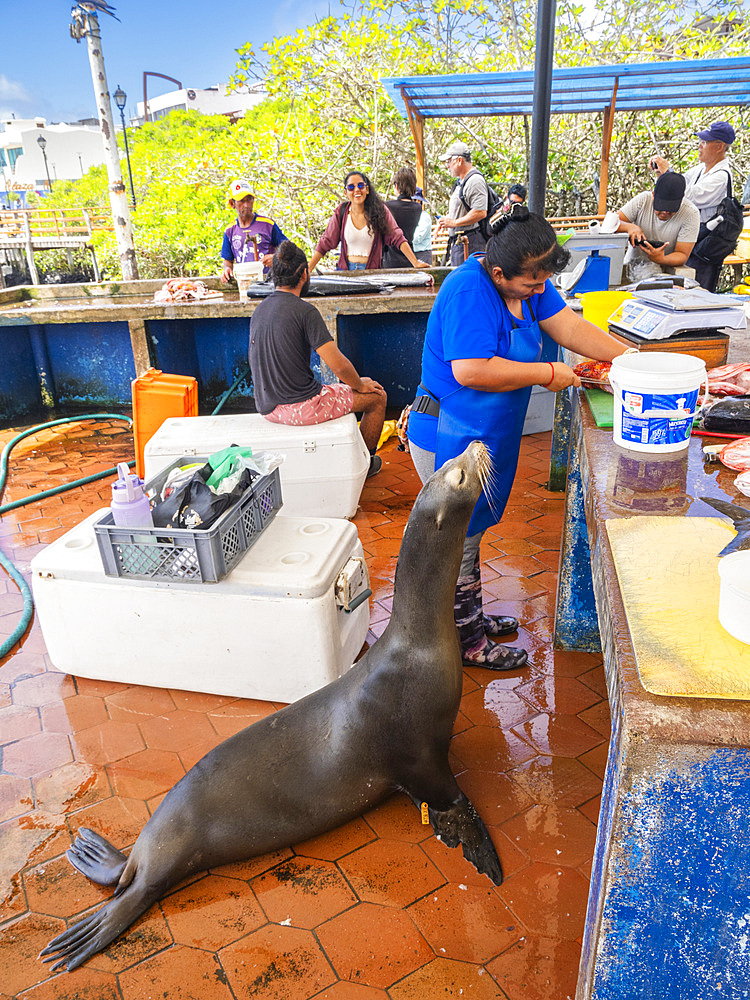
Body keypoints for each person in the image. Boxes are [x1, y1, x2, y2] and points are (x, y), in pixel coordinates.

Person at [407, 206, 626, 669]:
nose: (540, 290)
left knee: (471, 534)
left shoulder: (530, 282)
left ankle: (466, 618)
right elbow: (470, 370)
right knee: (459, 540)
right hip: (447, 434)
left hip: (485, 434)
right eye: (532, 283)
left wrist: (632, 360)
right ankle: (467, 643)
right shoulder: (469, 289)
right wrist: (548, 372)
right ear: (500, 271)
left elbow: (568, 326)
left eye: (544, 281)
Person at [249, 241, 387, 477]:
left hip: (266, 407)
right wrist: (361, 384)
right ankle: (363, 465)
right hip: (300, 407)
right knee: (377, 397)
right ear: (304, 274)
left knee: (338, 389)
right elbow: (339, 365)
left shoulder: (259, 309)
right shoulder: (305, 311)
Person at [651, 121, 736, 291]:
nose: (700, 146)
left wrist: (669, 172)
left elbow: (691, 196)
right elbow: (679, 185)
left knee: (700, 290)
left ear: (719, 146)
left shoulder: (722, 176)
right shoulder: (700, 169)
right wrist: (662, 174)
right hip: (694, 239)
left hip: (707, 246)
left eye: (705, 142)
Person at [308, 170, 431, 272]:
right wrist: (309, 268)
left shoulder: (379, 210)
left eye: (360, 186)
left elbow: (397, 237)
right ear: (345, 193)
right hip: (345, 271)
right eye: (351, 187)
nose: (356, 190)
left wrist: (415, 263)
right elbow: (326, 242)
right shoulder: (341, 211)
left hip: (371, 271)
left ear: (367, 189)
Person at [616, 172, 699, 283]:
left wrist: (661, 259)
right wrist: (630, 227)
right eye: (660, 207)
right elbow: (611, 224)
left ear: (681, 200)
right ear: (654, 195)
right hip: (632, 265)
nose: (664, 212)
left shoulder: (691, 213)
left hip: (665, 270)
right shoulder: (643, 200)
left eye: (670, 209)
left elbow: (682, 254)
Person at [220, 179, 289, 283]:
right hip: (244, 282)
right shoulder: (230, 230)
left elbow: (290, 251)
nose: (246, 205)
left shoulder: (267, 225)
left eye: (249, 199)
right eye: (242, 201)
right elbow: (227, 261)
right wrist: (227, 270)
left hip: (270, 282)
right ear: (232, 203)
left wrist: (276, 258)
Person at [437, 140, 488, 266]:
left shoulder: (475, 181)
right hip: (459, 242)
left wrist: (454, 223)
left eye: (449, 161)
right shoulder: (462, 182)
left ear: (459, 160)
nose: (447, 166)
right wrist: (446, 220)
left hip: (470, 242)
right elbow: (462, 210)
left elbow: (480, 212)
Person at [382, 167, 424, 268]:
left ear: (396, 186)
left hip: (389, 258)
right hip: (409, 257)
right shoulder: (417, 207)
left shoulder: (387, 206)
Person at [411, 187, 434, 264]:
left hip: (422, 254)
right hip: (412, 253)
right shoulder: (411, 216)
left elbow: (417, 238)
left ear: (418, 201)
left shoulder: (424, 217)